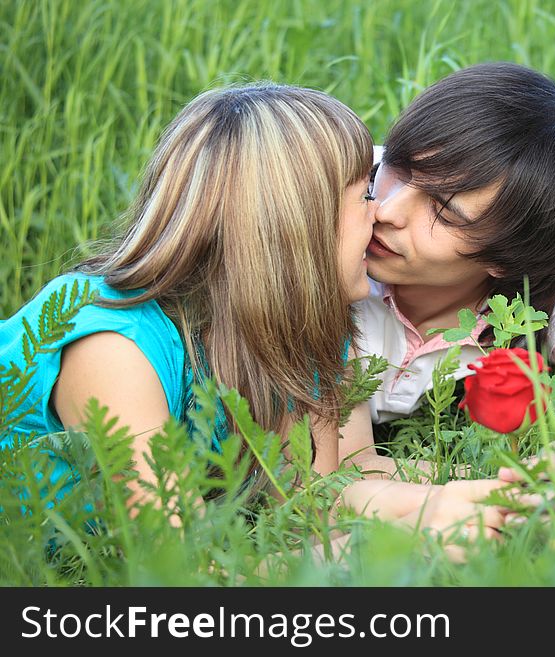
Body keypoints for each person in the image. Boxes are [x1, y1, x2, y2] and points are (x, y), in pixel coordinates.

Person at [0, 83, 506, 545]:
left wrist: (489, 500)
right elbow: (183, 572)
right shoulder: (114, 351)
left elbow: (319, 498)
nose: (384, 214)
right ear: (294, 230)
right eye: (365, 194)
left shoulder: (302, 322)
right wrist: (411, 543)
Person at [336, 62, 555, 487]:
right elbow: (338, 467)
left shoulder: (552, 262)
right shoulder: (330, 194)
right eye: (398, 169)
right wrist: (516, 480)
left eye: (443, 211)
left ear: (507, 257)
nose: (386, 210)